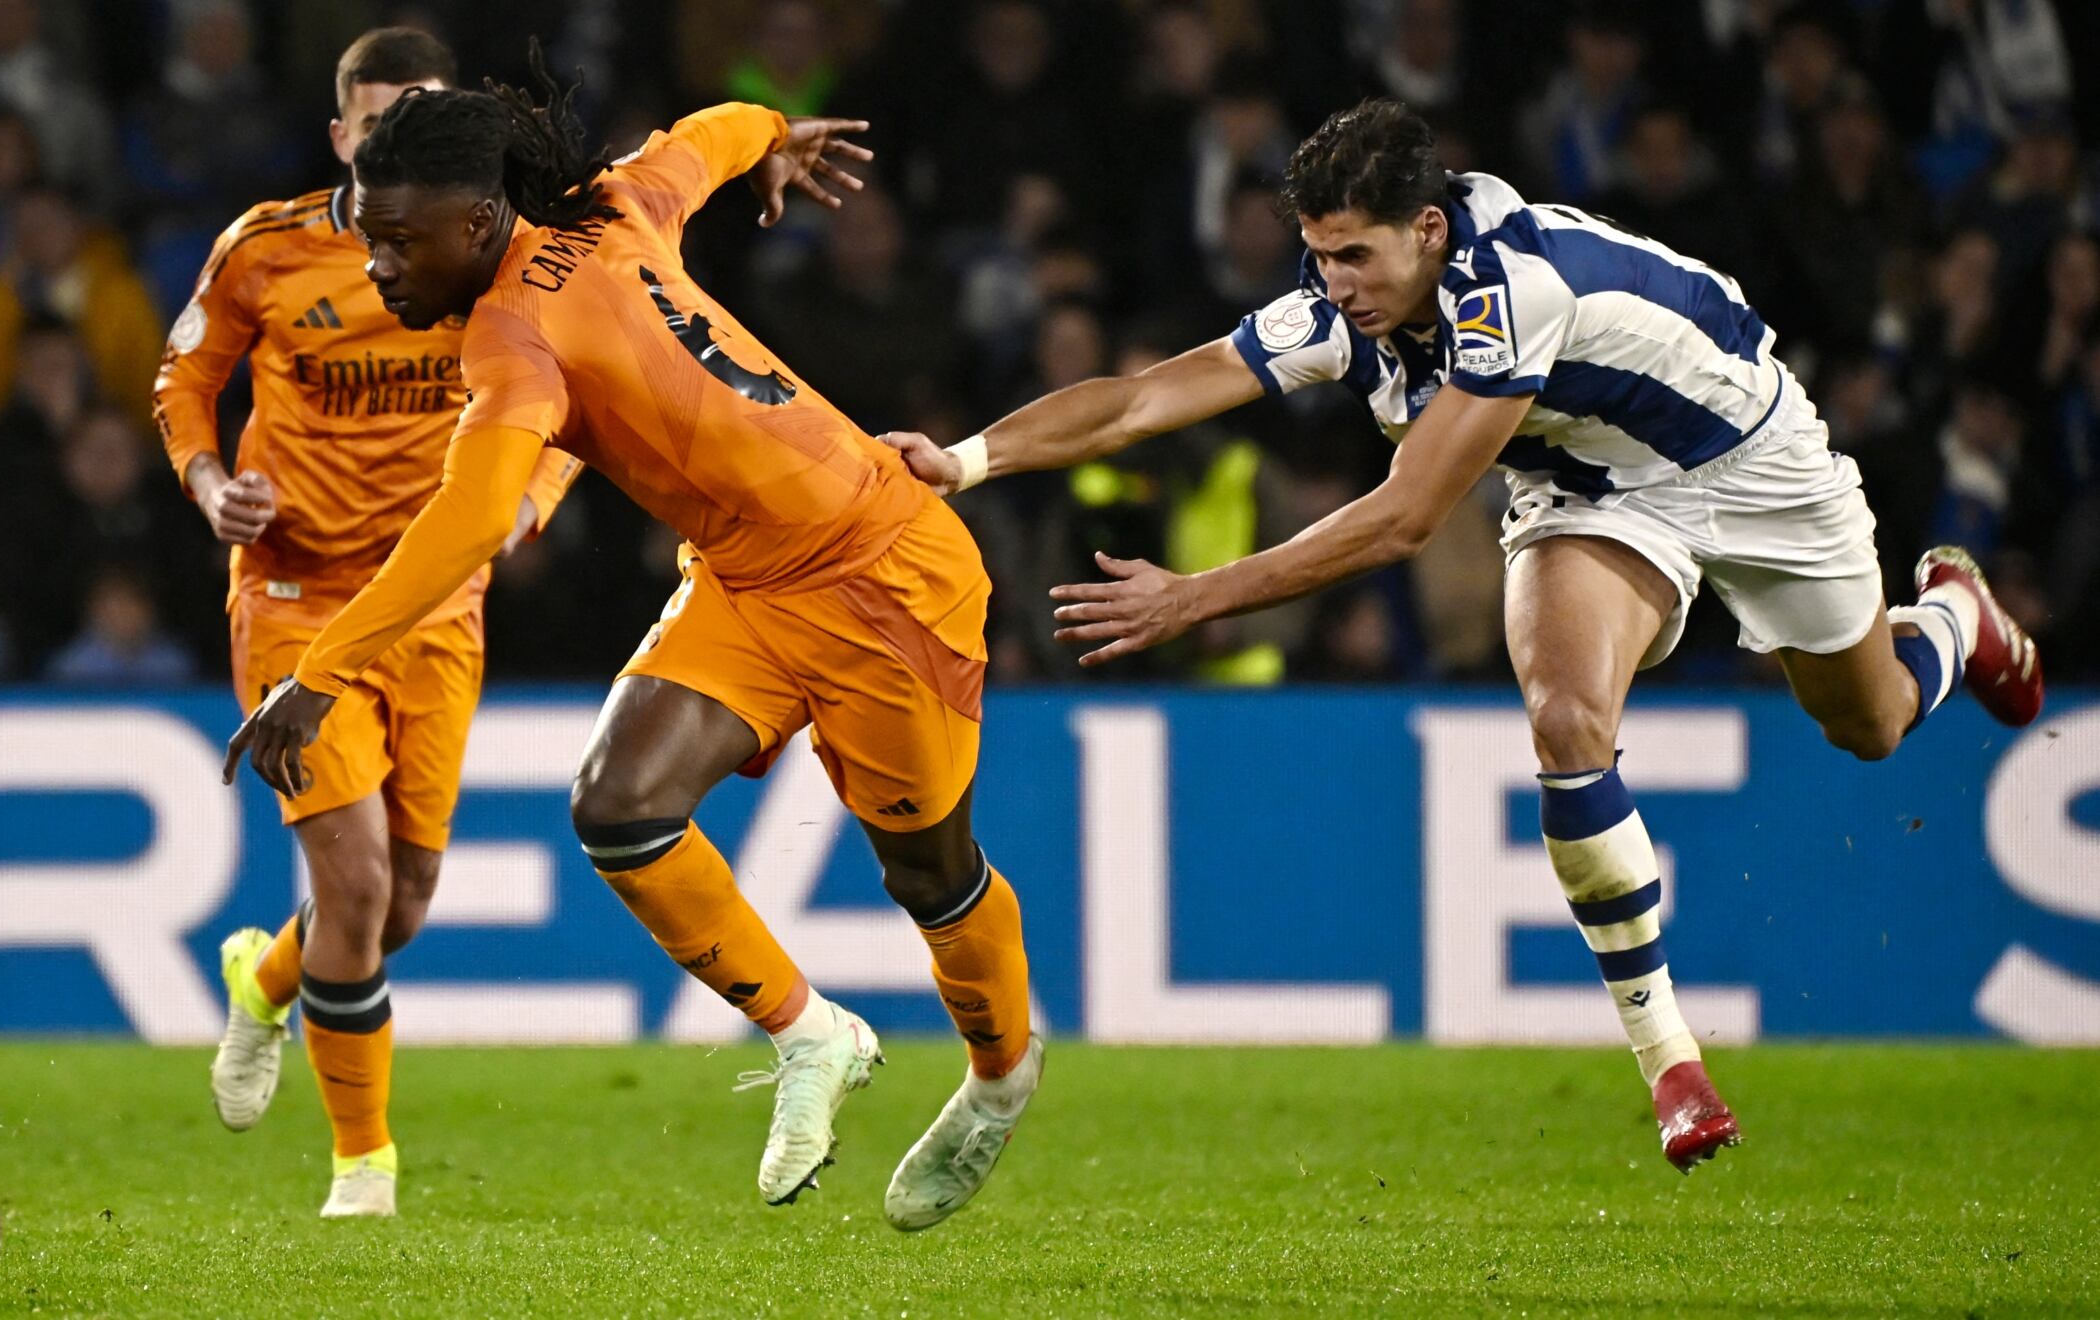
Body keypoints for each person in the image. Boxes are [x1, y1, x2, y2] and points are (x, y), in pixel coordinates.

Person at [886, 97, 2046, 1174]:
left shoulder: (1510, 290)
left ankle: (1953, 614)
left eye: (1354, 256)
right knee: (1562, 721)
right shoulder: (1345, 302)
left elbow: (1403, 518)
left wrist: (1191, 597)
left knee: (1871, 724)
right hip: (1586, 490)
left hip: (1747, 458)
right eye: (1319, 254)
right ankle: (1672, 1066)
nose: (1332, 284)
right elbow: (1143, 396)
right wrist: (966, 460)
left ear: (1427, 230)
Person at [223, 52, 1041, 1231]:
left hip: (883, 574)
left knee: (928, 871)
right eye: (369, 238)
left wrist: (321, 670)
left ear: (476, 219)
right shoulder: (610, 200)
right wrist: (774, 132)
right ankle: (811, 1034)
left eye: (400, 243)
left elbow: (462, 522)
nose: (377, 267)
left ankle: (1000, 1071)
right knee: (616, 804)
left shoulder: (512, 338)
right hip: (752, 579)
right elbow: (703, 135)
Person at [151, 28, 583, 1219]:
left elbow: (588, 389)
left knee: (399, 907)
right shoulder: (268, 249)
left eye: (427, 121)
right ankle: (363, 1169)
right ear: (340, 136)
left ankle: (263, 976)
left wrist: (530, 504)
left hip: (439, 603)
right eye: (382, 124)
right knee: (352, 885)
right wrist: (208, 486)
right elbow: (183, 380)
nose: (403, 145)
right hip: (297, 595)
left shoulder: (498, 256)